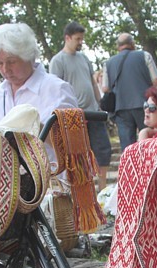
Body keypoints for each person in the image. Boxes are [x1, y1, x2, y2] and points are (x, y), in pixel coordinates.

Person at [49, 21, 112, 190]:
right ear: (67, 38)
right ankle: (85, 190)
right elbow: (55, 90)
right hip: (74, 117)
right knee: (80, 156)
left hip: (93, 112)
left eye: (82, 39)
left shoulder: (84, 58)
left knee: (103, 151)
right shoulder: (58, 61)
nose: (80, 42)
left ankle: (103, 190)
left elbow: (92, 82)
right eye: (77, 39)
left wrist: (100, 105)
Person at [101, 33, 157, 152]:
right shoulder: (144, 55)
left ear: (118, 47)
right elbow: (156, 80)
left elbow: (105, 88)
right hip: (144, 105)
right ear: (132, 44)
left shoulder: (108, 63)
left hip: (120, 107)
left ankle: (130, 169)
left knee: (128, 147)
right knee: (149, 141)